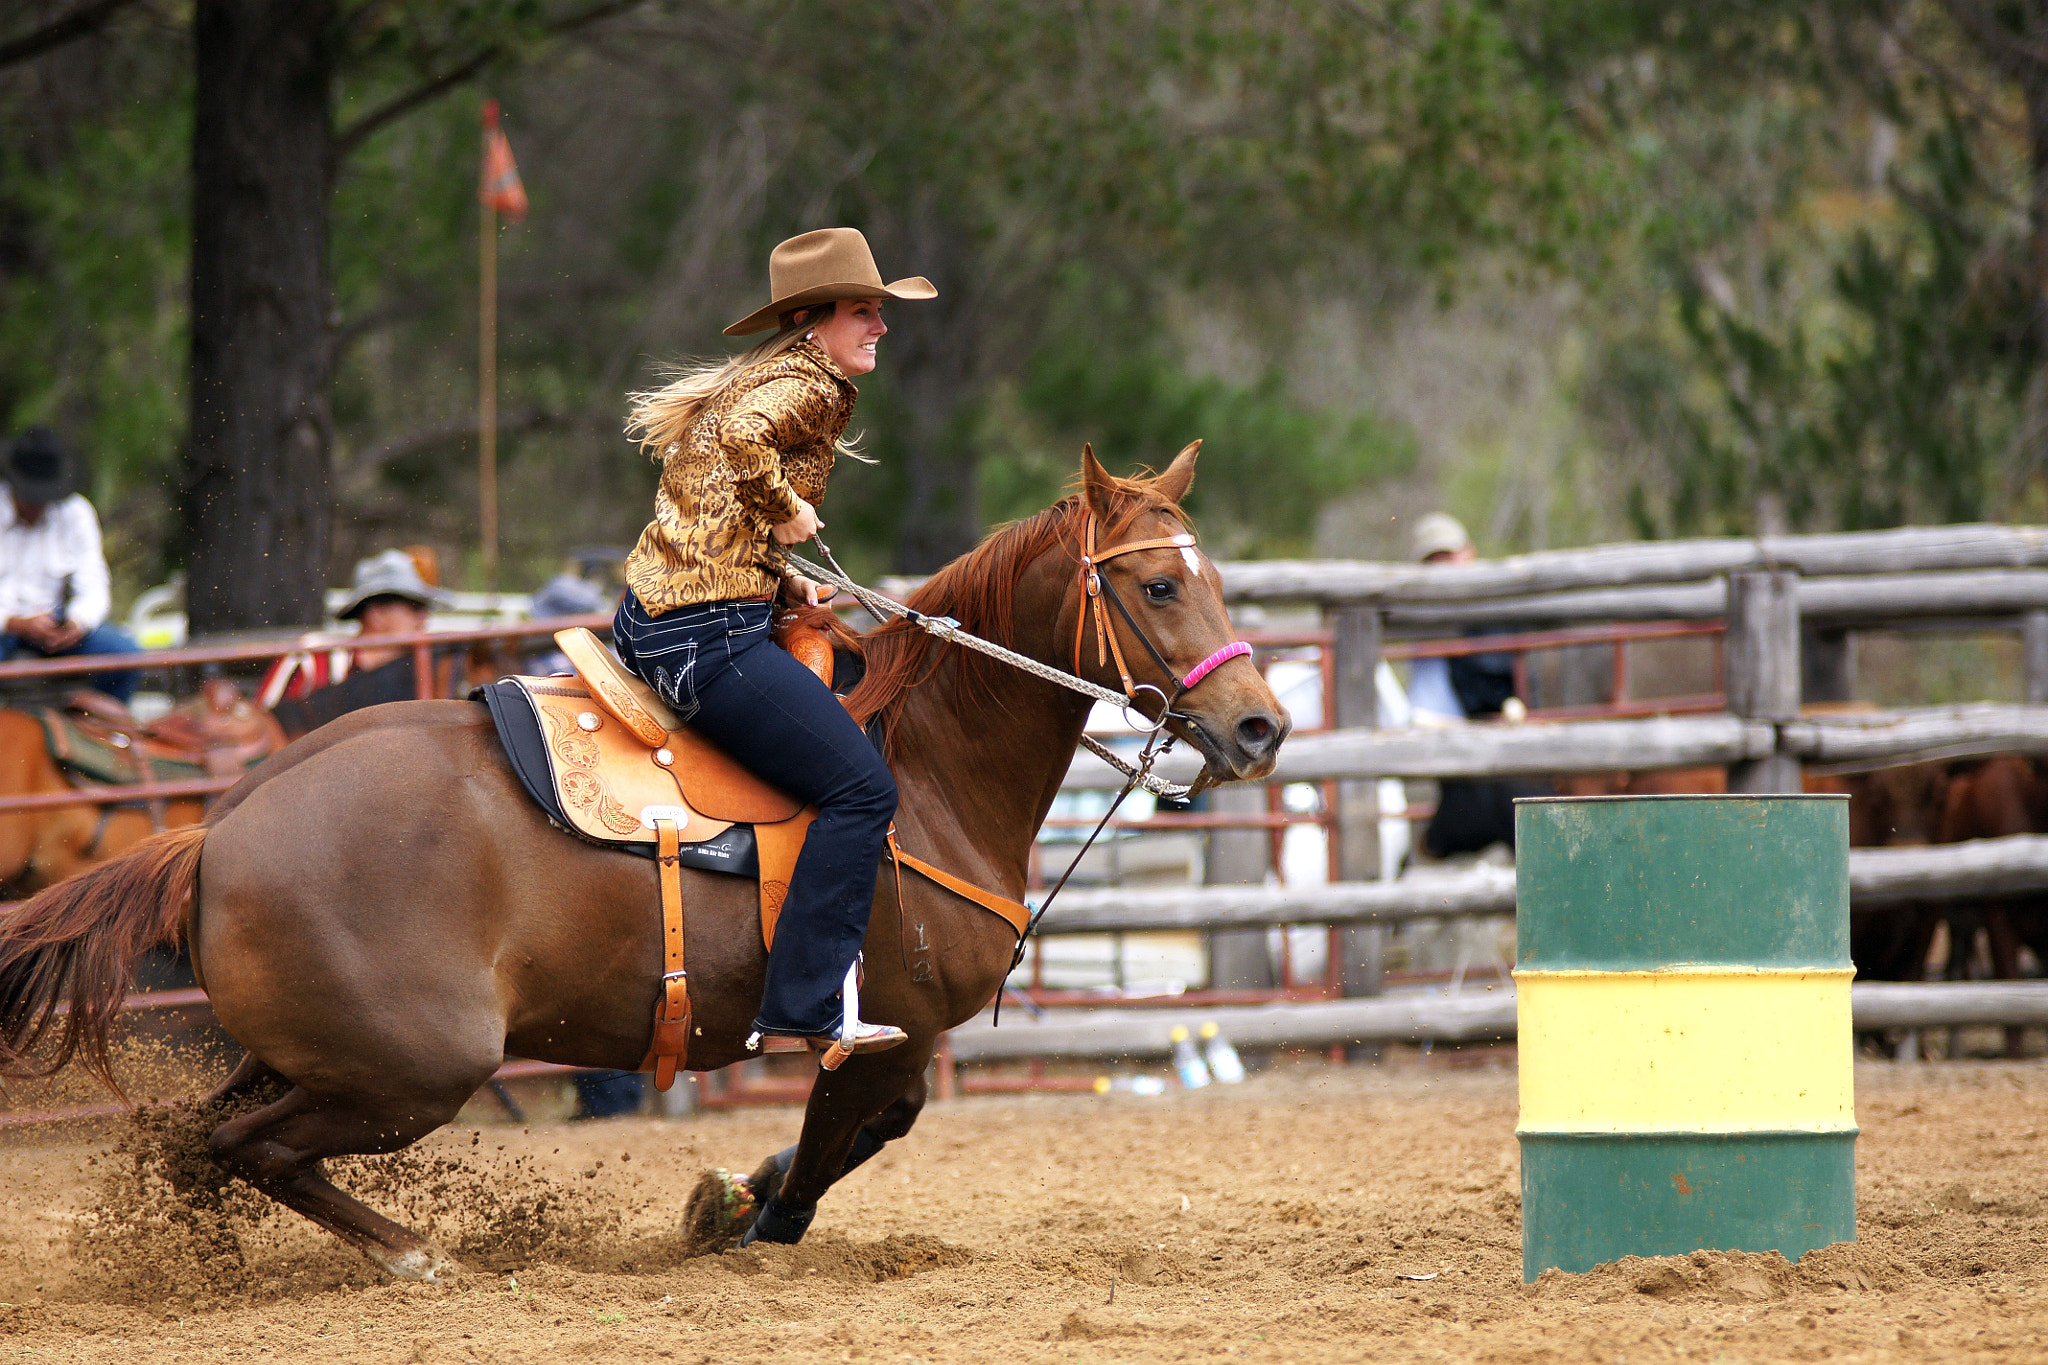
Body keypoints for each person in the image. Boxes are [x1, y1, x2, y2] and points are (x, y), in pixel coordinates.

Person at [614, 226, 934, 1058]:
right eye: (865, 311)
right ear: (815, 318)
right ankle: (803, 1003)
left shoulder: (775, 376)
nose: (880, 327)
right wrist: (786, 509)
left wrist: (778, 573)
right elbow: (738, 448)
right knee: (862, 789)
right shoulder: (804, 384)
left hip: (674, 615)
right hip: (706, 639)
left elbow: (705, 502)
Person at [1406, 512, 1544, 858]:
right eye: (1433, 561)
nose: (1442, 568)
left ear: (1469, 553)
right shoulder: (1421, 626)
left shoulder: (1502, 613)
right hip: (1455, 750)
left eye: (1447, 556)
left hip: (1504, 745)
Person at [0, 428, 142, 703]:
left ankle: (96, 736)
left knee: (126, 655)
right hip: (5, 625)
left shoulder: (75, 514)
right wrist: (15, 623)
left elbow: (94, 584)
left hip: (52, 621)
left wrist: (77, 622)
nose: (37, 503)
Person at [261, 549, 453, 736]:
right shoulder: (312, 656)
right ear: (376, 613)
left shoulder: (424, 669)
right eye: (415, 606)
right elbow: (261, 726)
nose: (424, 617)